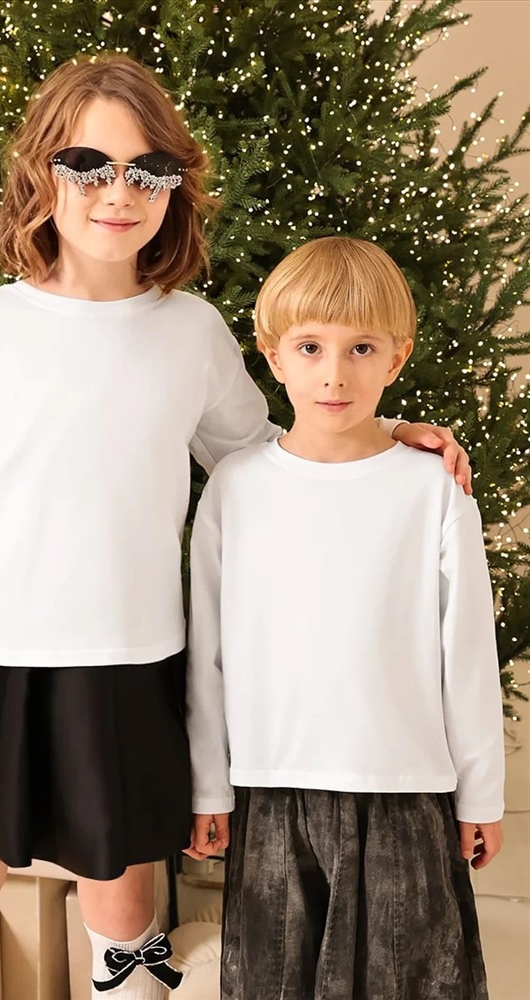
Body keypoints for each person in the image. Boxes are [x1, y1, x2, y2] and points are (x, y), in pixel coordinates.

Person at [0, 57, 470, 1000]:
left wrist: (385, 433)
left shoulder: (190, 331)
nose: (120, 193)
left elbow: (264, 456)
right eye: (90, 166)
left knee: (121, 908)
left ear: (173, 188)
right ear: (42, 172)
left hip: (130, 662)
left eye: (149, 171)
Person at [185, 236, 505, 1000]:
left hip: (406, 790)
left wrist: (480, 794)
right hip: (271, 790)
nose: (334, 373)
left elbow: (465, 649)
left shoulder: (432, 488)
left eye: (361, 348)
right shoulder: (235, 487)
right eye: (310, 347)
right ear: (273, 356)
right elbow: (208, 654)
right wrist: (208, 788)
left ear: (396, 358)